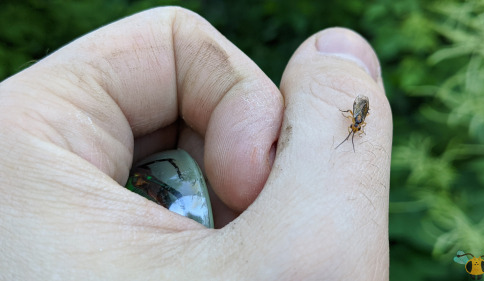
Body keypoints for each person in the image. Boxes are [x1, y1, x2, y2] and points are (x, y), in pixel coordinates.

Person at [0, 7, 392, 280]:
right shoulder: (353, 116)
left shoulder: (356, 119)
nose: (355, 126)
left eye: (356, 127)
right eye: (355, 125)